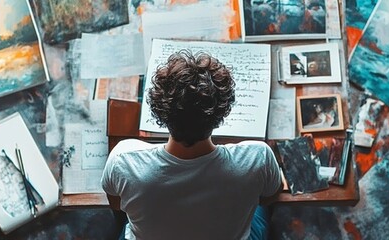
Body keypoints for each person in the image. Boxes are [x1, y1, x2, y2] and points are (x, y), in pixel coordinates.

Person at [101, 50, 283, 240]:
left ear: (160, 112)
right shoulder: (258, 157)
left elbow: (116, 204)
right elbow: (270, 195)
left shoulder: (123, 159)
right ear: (221, 113)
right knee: (260, 210)